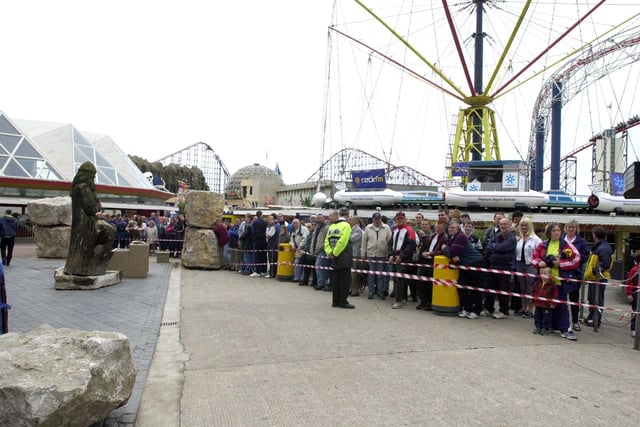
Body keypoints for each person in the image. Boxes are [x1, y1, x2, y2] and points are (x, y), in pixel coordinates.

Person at [532, 223, 581, 341]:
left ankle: (566, 329)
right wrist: (539, 263)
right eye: (554, 230)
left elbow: (576, 259)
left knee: (562, 306)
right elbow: (533, 258)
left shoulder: (566, 245)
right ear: (549, 232)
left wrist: (561, 264)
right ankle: (548, 326)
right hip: (544, 281)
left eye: (558, 230)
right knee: (544, 306)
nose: (557, 232)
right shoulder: (542, 244)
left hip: (559, 281)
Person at [443, 218, 486, 318]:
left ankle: (477, 311)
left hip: (476, 263)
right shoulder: (451, 237)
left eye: (453, 227)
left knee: (476, 288)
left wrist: (445, 248)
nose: (450, 229)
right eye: (449, 227)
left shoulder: (460, 237)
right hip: (465, 265)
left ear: (458, 228)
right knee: (462, 287)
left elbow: (452, 252)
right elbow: (452, 252)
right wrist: (450, 251)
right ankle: (467, 308)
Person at [485, 217, 517, 319]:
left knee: (503, 290)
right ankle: (489, 308)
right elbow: (488, 247)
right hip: (493, 266)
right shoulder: (497, 236)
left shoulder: (512, 239)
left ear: (509, 225)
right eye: (501, 224)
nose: (503, 226)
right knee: (490, 288)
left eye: (505, 224)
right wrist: (497, 247)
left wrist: (495, 247)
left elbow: (502, 247)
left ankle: (504, 311)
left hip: (504, 267)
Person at [583, 226, 613, 329]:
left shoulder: (602, 248)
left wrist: (593, 271)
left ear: (594, 235)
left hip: (598, 278)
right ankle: (592, 317)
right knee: (592, 299)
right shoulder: (600, 246)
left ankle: (596, 319)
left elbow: (605, 264)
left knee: (597, 300)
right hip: (594, 278)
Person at [563, 219, 590, 331]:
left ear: (576, 229)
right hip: (562, 272)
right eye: (569, 227)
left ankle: (575, 321)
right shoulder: (561, 239)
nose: (571, 229)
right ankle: (563, 321)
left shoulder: (581, 242)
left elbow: (585, 256)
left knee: (574, 298)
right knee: (561, 298)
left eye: (573, 227)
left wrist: (573, 259)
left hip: (575, 273)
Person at [325, 210, 354, 309]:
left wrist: (330, 252)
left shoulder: (332, 227)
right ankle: (343, 301)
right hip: (343, 255)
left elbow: (327, 241)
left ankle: (335, 301)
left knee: (337, 279)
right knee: (344, 280)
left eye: (330, 216)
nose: (328, 218)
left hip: (335, 256)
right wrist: (334, 252)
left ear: (336, 216)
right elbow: (343, 241)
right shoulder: (346, 225)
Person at [389, 212, 417, 309]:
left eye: (401, 218)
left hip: (404, 259)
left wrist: (401, 256)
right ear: (396, 220)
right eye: (398, 218)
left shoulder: (409, 231)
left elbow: (411, 246)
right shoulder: (395, 230)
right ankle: (403, 298)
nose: (400, 220)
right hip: (396, 257)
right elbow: (391, 244)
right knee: (398, 279)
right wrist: (391, 255)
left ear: (404, 219)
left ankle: (399, 301)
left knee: (400, 279)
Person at [416, 219, 446, 311]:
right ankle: (423, 301)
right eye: (437, 227)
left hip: (434, 262)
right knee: (420, 281)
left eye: (440, 228)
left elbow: (443, 251)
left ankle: (430, 302)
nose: (437, 229)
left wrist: (431, 253)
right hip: (426, 261)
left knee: (430, 284)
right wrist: (424, 237)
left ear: (443, 228)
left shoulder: (445, 238)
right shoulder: (433, 235)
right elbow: (427, 245)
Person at [515, 217, 542, 319]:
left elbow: (539, 254)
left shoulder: (536, 239)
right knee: (523, 288)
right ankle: (524, 308)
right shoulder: (519, 238)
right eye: (522, 225)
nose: (524, 227)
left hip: (531, 265)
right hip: (519, 264)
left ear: (530, 226)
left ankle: (530, 310)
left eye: (526, 225)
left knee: (531, 288)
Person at [361, 212, 392, 299]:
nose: (377, 221)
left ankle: (380, 291)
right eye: (375, 219)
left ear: (381, 219)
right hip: (371, 254)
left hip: (382, 255)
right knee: (371, 274)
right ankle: (371, 291)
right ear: (373, 219)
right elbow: (364, 242)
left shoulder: (386, 228)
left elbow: (390, 241)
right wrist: (363, 253)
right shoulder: (368, 228)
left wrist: (388, 254)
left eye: (379, 219)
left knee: (380, 275)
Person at [531, 267, 559, 335]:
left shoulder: (553, 285)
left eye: (545, 273)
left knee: (547, 318)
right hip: (538, 304)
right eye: (541, 273)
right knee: (537, 316)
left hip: (547, 305)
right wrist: (533, 299)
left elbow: (555, 295)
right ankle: (538, 327)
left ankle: (545, 328)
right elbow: (533, 291)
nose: (543, 275)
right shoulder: (537, 283)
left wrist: (553, 303)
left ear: (550, 275)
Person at [289, 218, 309, 283]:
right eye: (294, 223)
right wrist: (293, 246)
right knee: (297, 262)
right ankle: (297, 277)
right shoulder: (293, 231)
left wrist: (300, 246)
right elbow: (291, 240)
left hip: (304, 249)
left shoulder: (304, 229)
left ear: (299, 223)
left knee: (302, 263)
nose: (295, 224)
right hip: (297, 250)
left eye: (296, 223)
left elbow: (305, 238)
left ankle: (302, 278)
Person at [348, 216, 363, 297]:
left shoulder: (358, 230)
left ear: (355, 221)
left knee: (353, 274)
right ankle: (350, 288)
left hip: (355, 254)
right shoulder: (351, 229)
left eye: (350, 220)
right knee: (350, 273)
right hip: (350, 254)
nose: (349, 221)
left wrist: (345, 236)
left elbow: (351, 239)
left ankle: (355, 290)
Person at [625, 252, 640, 338]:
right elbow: (629, 282)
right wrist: (629, 293)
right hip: (635, 293)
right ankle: (634, 329)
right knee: (635, 311)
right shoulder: (635, 270)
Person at [250, 210, 267, 277]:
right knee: (263, 255)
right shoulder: (264, 222)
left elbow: (253, 231)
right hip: (263, 240)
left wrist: (253, 238)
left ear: (256, 215)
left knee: (256, 256)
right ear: (261, 215)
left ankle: (257, 271)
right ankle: (264, 270)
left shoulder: (255, 222)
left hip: (256, 240)